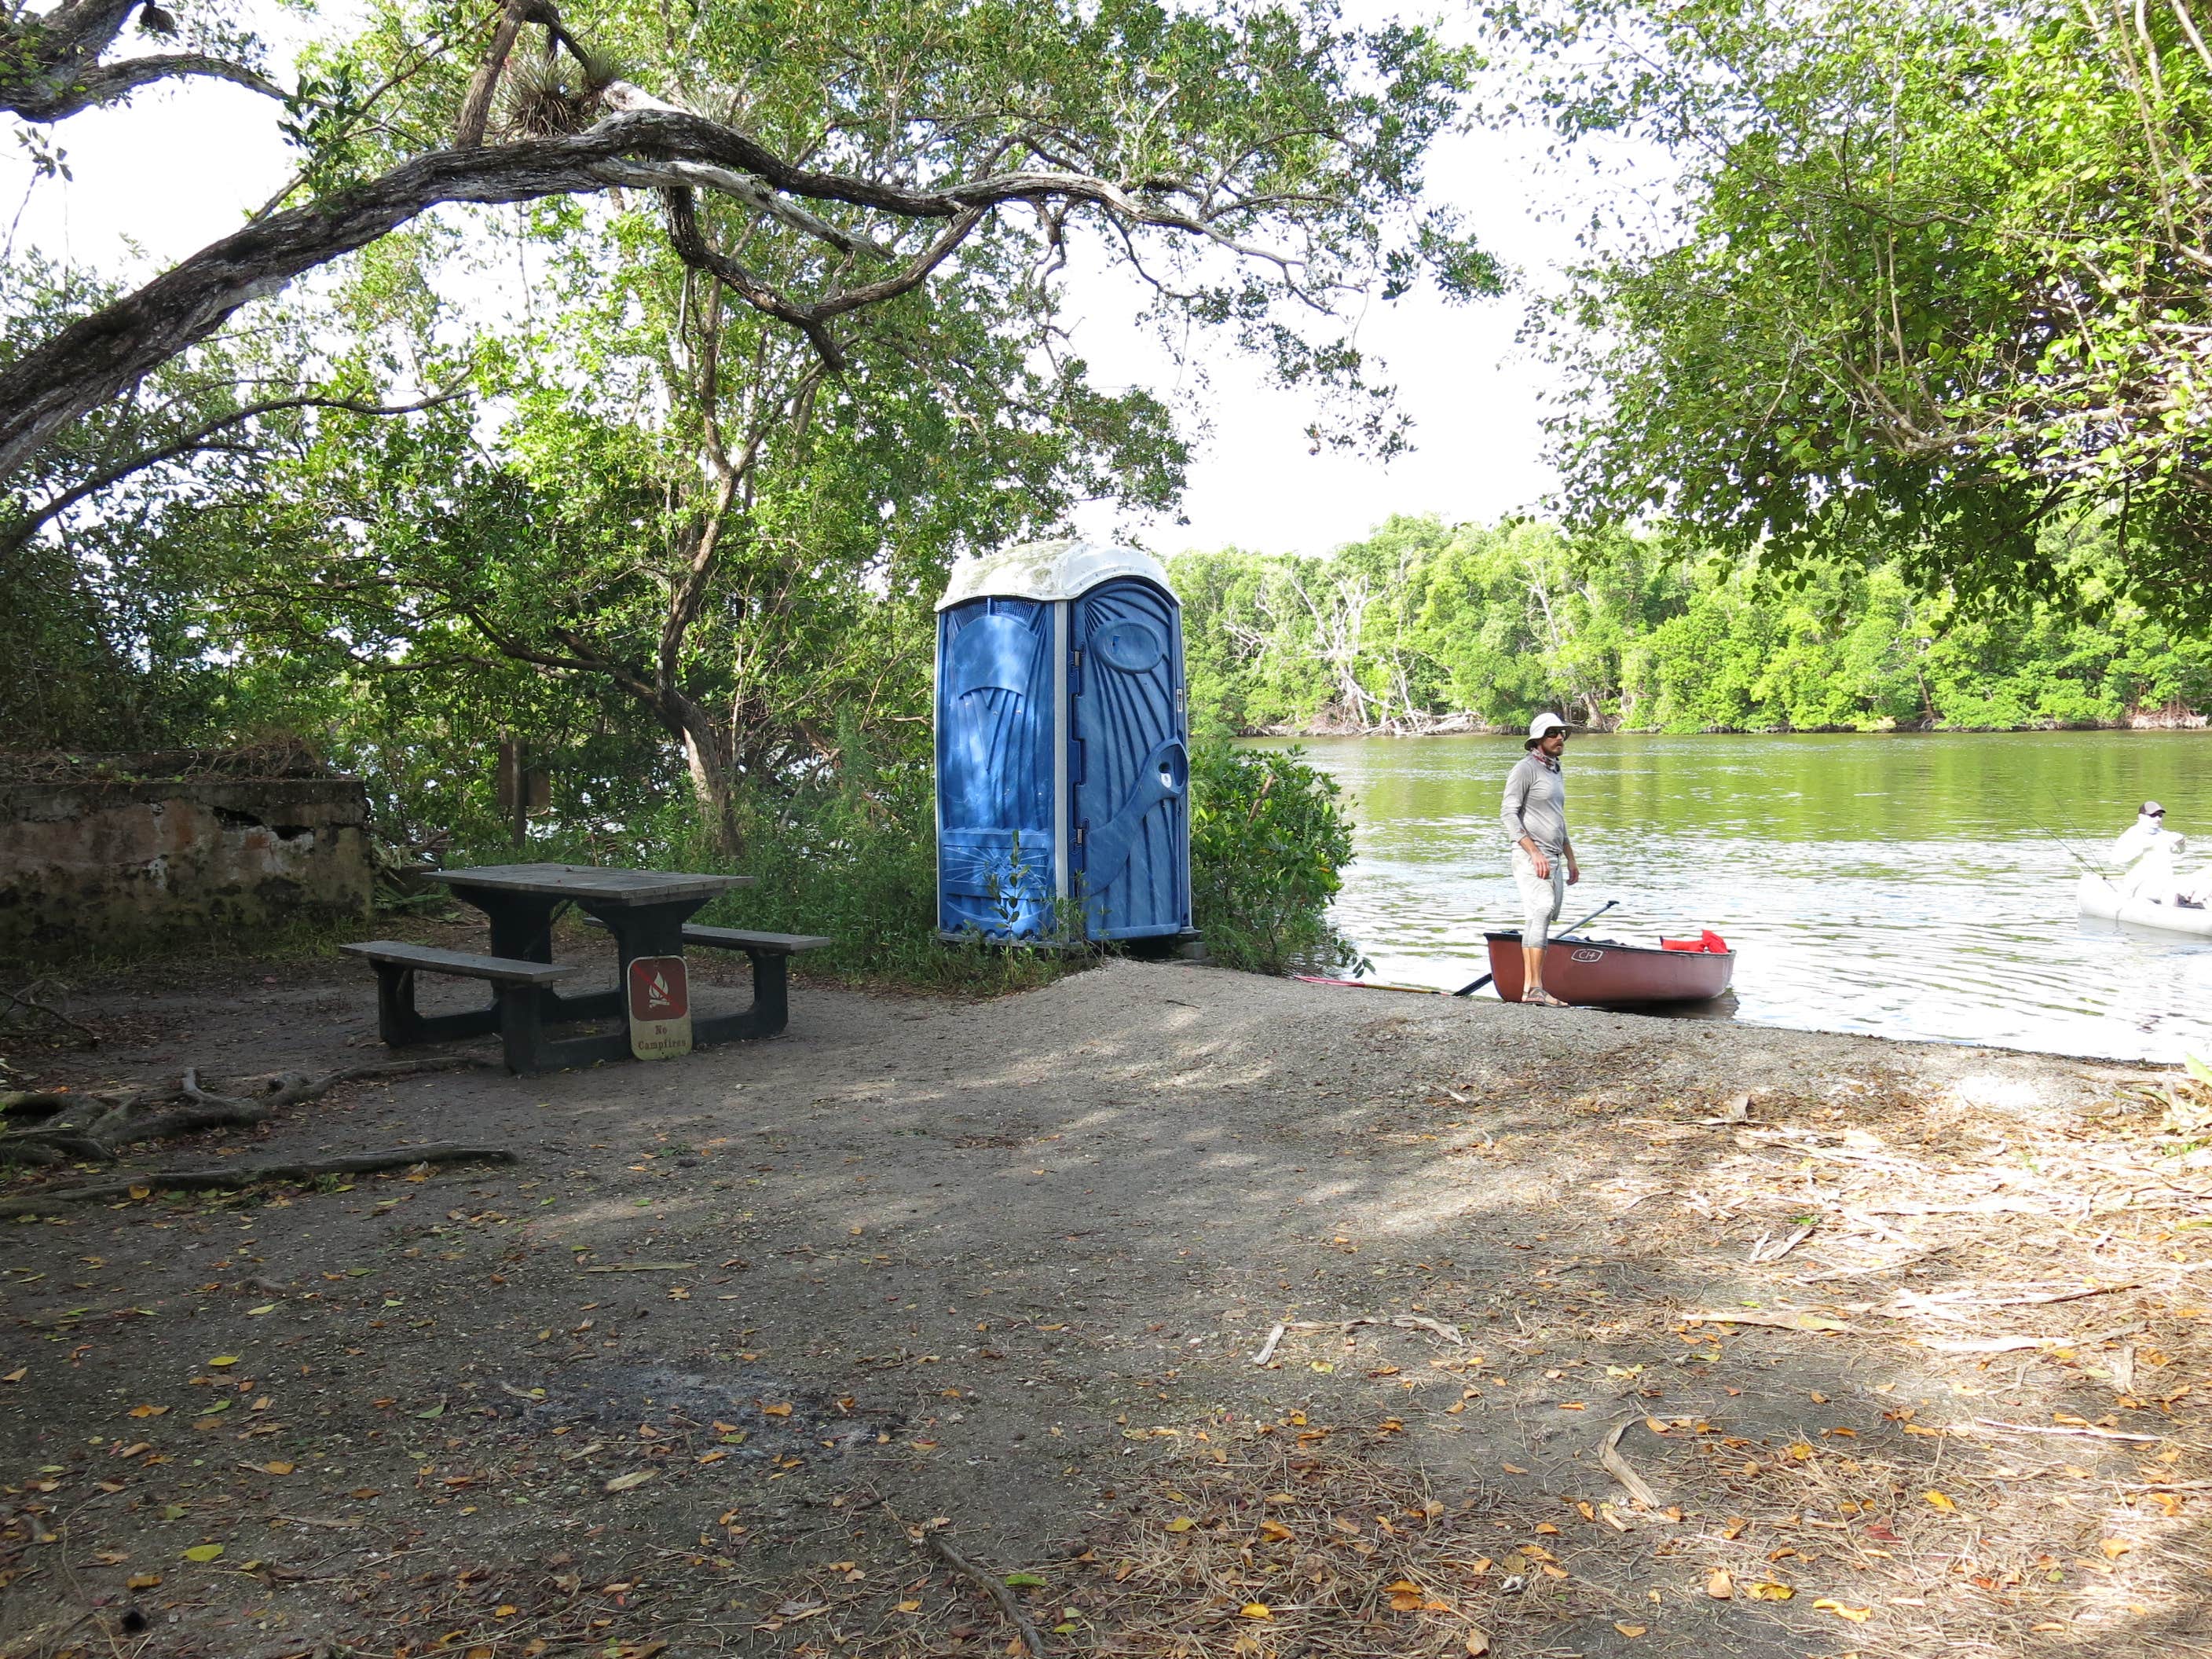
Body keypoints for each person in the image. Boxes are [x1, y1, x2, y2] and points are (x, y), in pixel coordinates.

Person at [1501, 712, 1580, 1005]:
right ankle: (1535, 989)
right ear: (1537, 739)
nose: (1560, 737)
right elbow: (1508, 813)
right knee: (1542, 909)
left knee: (1543, 915)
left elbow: (1558, 820)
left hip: (1554, 856)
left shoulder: (1554, 770)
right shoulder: (1525, 770)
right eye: (1552, 733)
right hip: (1529, 855)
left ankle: (1528, 990)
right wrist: (1533, 852)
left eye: (1562, 733)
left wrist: (1571, 858)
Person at [2111, 801, 2203, 906]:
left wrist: (2181, 843)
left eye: (2160, 815)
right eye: (2153, 815)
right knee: (2170, 892)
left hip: (2162, 886)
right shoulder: (2131, 835)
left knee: (2192, 886)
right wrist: (2144, 845)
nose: (2157, 819)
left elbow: (2179, 851)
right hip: (2139, 888)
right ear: (2141, 817)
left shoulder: (2163, 834)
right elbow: (2115, 860)